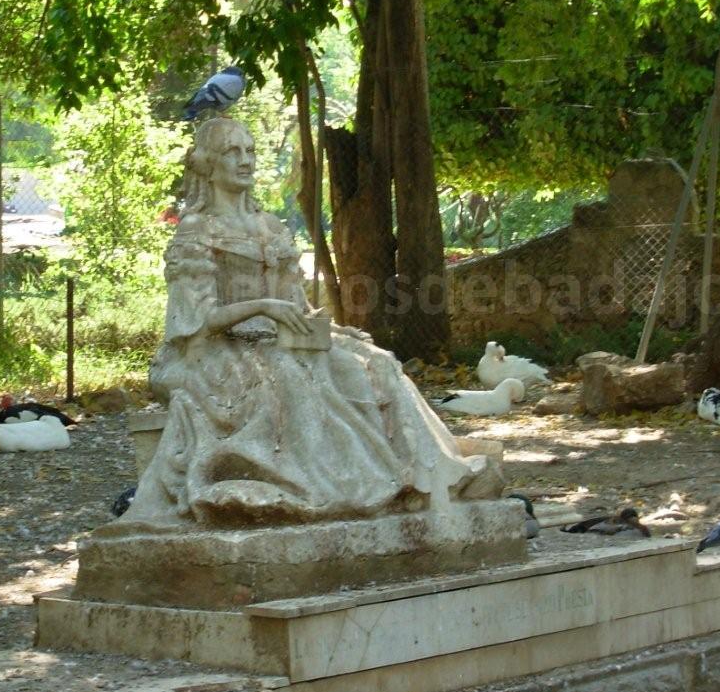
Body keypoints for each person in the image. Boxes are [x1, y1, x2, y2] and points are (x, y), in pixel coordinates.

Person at [121, 118, 494, 527]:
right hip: (211, 351)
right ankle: (332, 492)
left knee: (376, 362)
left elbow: (295, 306)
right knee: (287, 374)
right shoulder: (196, 230)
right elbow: (194, 321)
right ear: (208, 164)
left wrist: (332, 330)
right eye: (233, 152)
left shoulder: (270, 226)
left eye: (250, 151)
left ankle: (423, 480)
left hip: (279, 337)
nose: (245, 161)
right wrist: (261, 307)